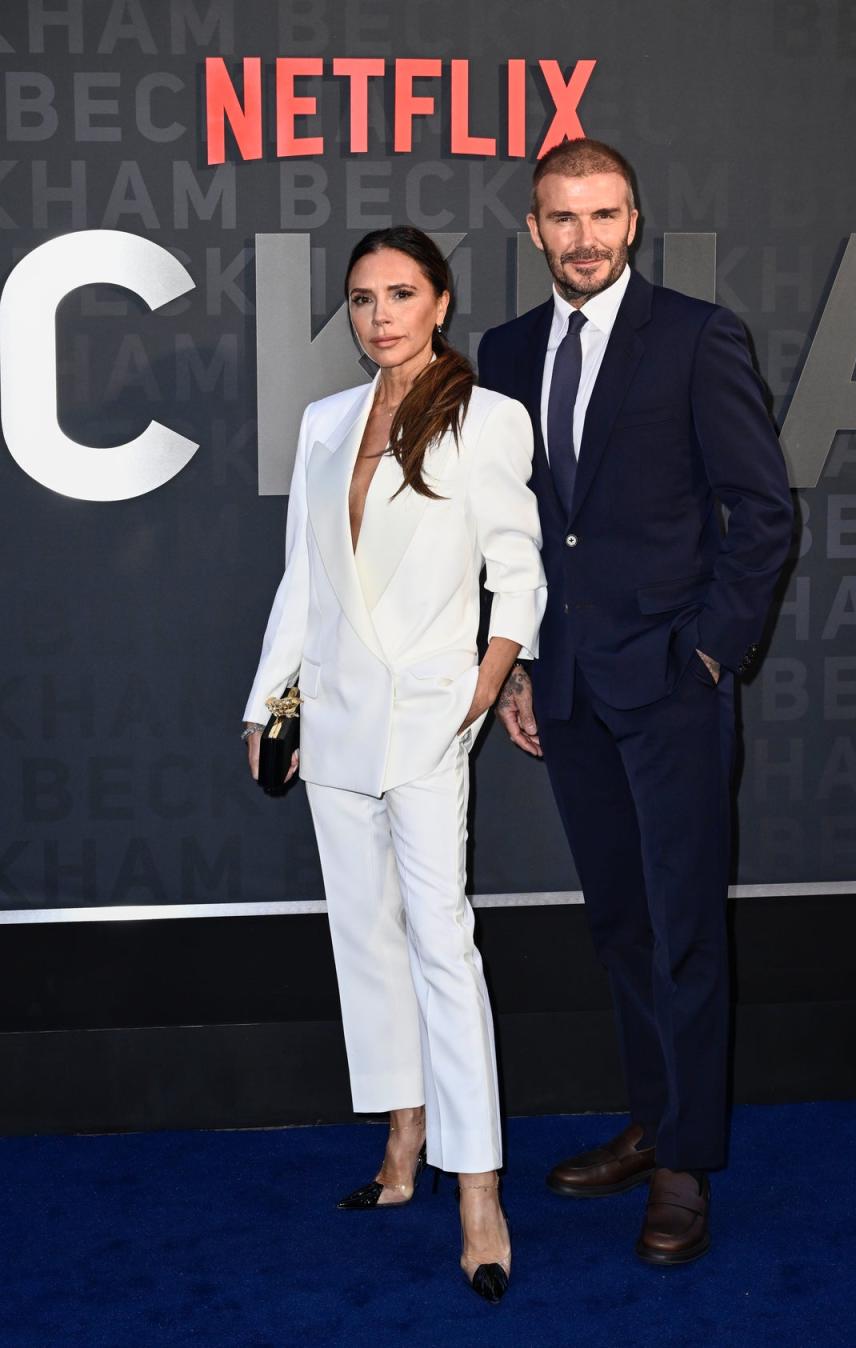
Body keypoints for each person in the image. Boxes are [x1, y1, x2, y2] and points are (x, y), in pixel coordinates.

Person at [479, 139, 793, 1264]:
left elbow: (762, 512)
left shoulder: (700, 338)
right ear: (533, 229)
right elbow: (508, 529)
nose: (584, 237)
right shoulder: (504, 350)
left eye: (603, 214)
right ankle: (654, 1115)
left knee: (685, 931)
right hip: (562, 689)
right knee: (620, 924)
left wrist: (711, 655)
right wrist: (514, 663)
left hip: (671, 687)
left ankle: (684, 1164)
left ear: (635, 219)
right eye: (562, 218)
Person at [242, 226, 546, 1302]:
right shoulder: (327, 421)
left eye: (401, 293)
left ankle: (478, 1187)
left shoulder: (487, 417)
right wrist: (266, 699)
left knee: (442, 945)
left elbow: (518, 571)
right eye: (364, 298)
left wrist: (482, 680)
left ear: (441, 301)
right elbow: (302, 581)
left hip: (425, 718)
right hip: (330, 716)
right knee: (364, 938)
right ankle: (403, 1139)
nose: (381, 315)